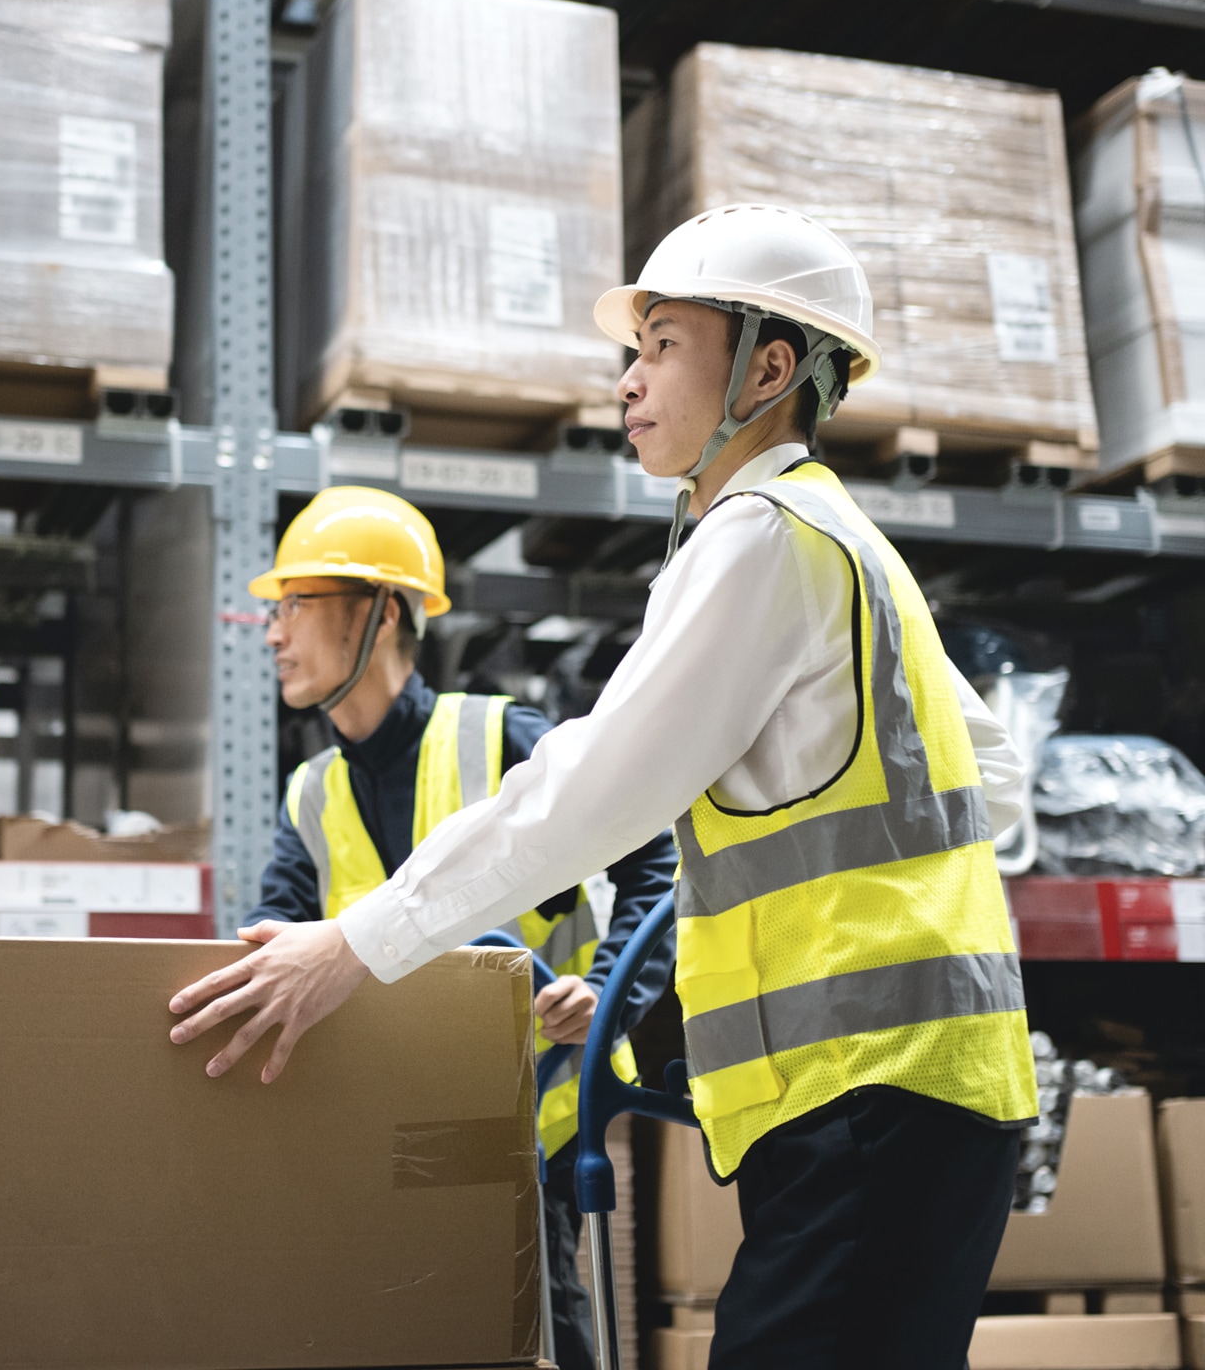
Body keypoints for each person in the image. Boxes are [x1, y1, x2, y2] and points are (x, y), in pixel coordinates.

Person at [170, 205, 1039, 1369]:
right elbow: (994, 779)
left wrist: (347, 948)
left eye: (664, 344)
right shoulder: (839, 539)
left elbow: (590, 793)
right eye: (633, 351)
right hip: (913, 1096)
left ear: (770, 368)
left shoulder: (764, 534)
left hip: (868, 1098)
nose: (629, 381)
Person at [240, 484, 678, 1370]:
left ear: (383, 612)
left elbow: (656, 860)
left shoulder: (501, 738)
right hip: (384, 1136)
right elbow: (271, 934)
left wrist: (608, 995)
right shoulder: (311, 792)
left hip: (531, 1132)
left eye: (298, 605)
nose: (275, 632)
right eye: (275, 610)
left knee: (536, 1346)